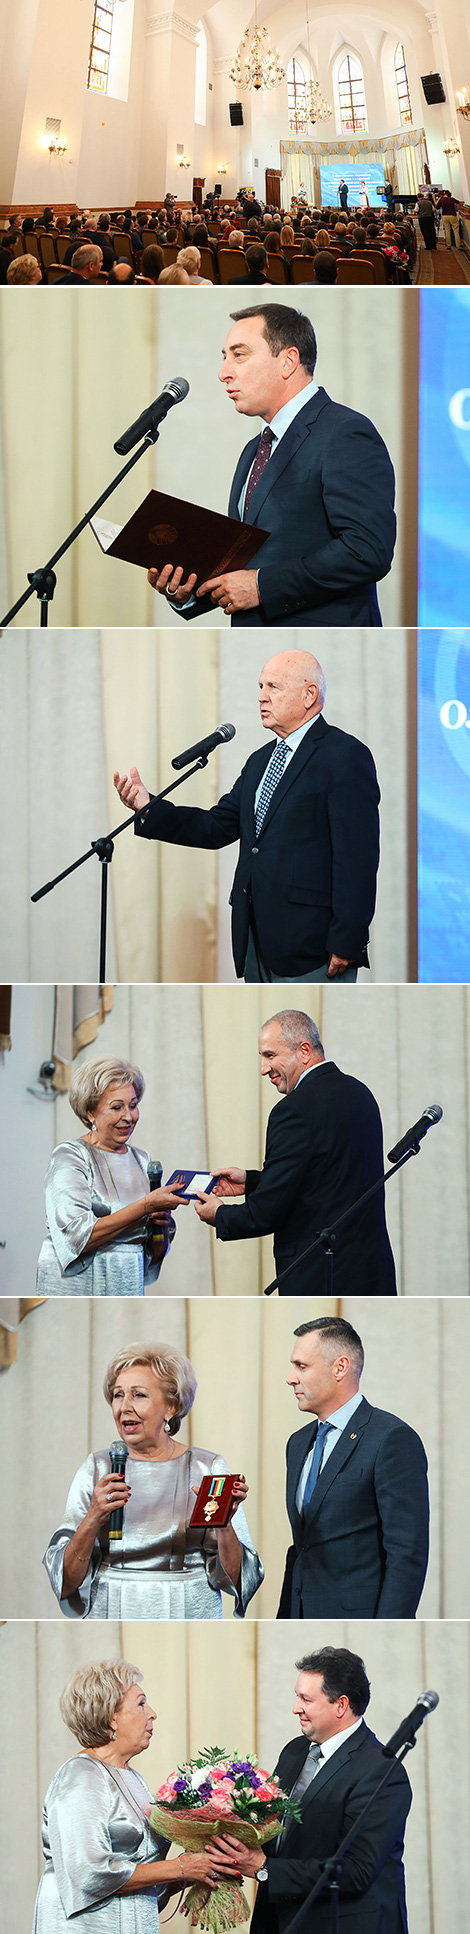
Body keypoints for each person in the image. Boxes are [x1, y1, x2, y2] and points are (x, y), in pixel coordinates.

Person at [114, 649, 380, 983]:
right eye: (260, 686)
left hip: (313, 946)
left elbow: (357, 858)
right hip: (255, 940)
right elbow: (215, 827)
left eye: (273, 687)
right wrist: (148, 806)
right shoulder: (259, 761)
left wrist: (347, 939)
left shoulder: (344, 755)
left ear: (309, 695)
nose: (261, 697)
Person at [147, 304, 396, 628]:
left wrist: (262, 586)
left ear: (288, 360)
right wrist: (188, 591)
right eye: (225, 357)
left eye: (239, 355)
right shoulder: (255, 448)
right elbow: (246, 563)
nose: (224, 372)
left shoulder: (344, 432)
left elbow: (367, 550)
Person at [44, 1340, 263, 1618]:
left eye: (138, 1395)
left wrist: (224, 1525)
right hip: (110, 1608)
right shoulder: (97, 1467)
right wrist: (93, 1517)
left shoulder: (206, 1467)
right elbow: (65, 1582)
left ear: (171, 1406)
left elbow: (238, 1581)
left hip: (188, 1609)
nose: (124, 1407)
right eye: (118, 1395)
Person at [194, 1010, 397, 1295]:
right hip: (371, 1270)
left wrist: (220, 1215)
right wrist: (252, 1182)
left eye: (270, 1055)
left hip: (321, 1274)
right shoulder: (360, 1092)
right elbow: (328, 1179)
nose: (263, 1069)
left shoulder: (292, 1110)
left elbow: (266, 1213)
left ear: (304, 1051)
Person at [212, 1647, 412, 1934]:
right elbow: (281, 1833)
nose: (296, 1708)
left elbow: (357, 1871)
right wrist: (231, 1844)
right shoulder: (294, 1751)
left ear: (340, 1705)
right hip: (279, 1919)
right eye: (297, 1697)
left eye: (306, 1699)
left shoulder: (382, 1772)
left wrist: (263, 1867)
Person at [32, 1658, 218, 1932]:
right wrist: (180, 1867)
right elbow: (87, 1875)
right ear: (111, 1718)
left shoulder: (134, 1778)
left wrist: (194, 1872)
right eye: (141, 1704)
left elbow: (144, 1878)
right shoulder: (81, 1775)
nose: (152, 1714)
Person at [278, 1316, 429, 1617]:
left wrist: (388, 1627)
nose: (290, 1378)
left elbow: (406, 1553)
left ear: (340, 1367)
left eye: (301, 1366)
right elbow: (303, 1547)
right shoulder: (297, 1443)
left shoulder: (391, 1438)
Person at [36, 1055, 187, 1294]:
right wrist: (145, 1206)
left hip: (127, 1278)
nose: (128, 1116)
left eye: (133, 1105)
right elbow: (76, 1237)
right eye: (117, 1107)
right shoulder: (70, 1156)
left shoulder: (142, 1160)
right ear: (90, 1113)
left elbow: (151, 1253)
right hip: (79, 1282)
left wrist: (161, 1229)